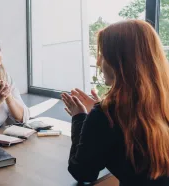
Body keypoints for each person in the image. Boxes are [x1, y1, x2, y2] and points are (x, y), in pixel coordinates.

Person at [62, 20, 169, 186]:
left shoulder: (107, 115)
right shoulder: (162, 101)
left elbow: (83, 171)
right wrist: (96, 115)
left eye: (102, 56)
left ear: (120, 63)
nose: (98, 63)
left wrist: (80, 117)